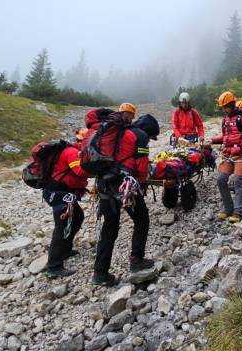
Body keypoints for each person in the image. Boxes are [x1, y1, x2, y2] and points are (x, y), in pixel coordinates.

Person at [88, 103, 158, 286]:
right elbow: (142, 168)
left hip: (103, 183)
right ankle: (136, 260)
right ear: (149, 132)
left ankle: (100, 273)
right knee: (141, 219)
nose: (150, 139)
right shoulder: (140, 136)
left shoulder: (113, 132)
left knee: (109, 228)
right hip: (124, 187)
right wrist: (142, 184)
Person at [43, 137, 90, 279]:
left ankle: (66, 250)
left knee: (77, 217)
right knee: (62, 225)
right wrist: (97, 170)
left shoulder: (69, 151)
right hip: (59, 192)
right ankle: (54, 266)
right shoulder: (71, 152)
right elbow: (80, 171)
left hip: (61, 191)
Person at [211, 92, 242, 223]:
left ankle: (238, 211)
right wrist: (211, 141)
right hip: (228, 154)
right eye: (222, 107)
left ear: (232, 104)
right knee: (221, 180)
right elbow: (226, 138)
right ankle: (227, 208)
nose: (223, 110)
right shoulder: (225, 119)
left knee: (238, 181)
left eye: (225, 107)